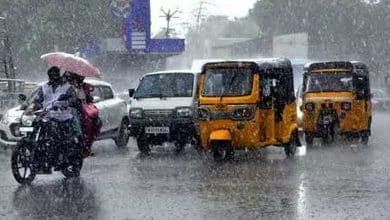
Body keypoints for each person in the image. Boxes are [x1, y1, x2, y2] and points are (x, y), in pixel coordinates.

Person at [64, 72, 101, 157]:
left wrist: (88, 97)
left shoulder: (84, 87)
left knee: (95, 124)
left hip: (84, 110)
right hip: (73, 111)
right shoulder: (67, 87)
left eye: (82, 77)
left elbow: (88, 99)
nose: (82, 78)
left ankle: (86, 147)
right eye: (80, 76)